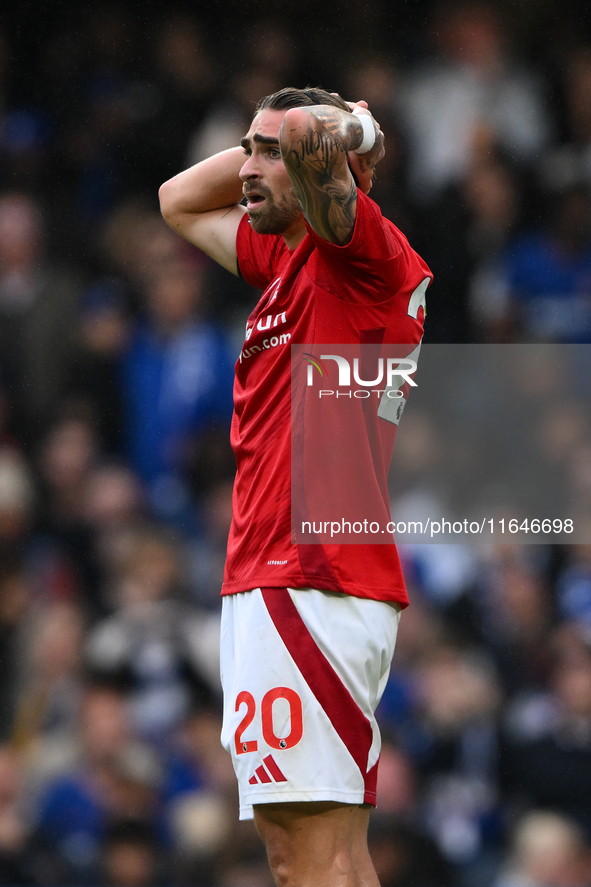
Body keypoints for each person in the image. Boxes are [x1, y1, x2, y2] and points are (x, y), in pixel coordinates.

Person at [159, 86, 431, 887]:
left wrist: (344, 130)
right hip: (285, 576)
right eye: (245, 147)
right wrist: (265, 146)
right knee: (329, 853)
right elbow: (177, 200)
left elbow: (319, 151)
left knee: (301, 858)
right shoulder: (289, 259)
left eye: (268, 154)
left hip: (308, 575)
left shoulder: (363, 256)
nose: (247, 169)